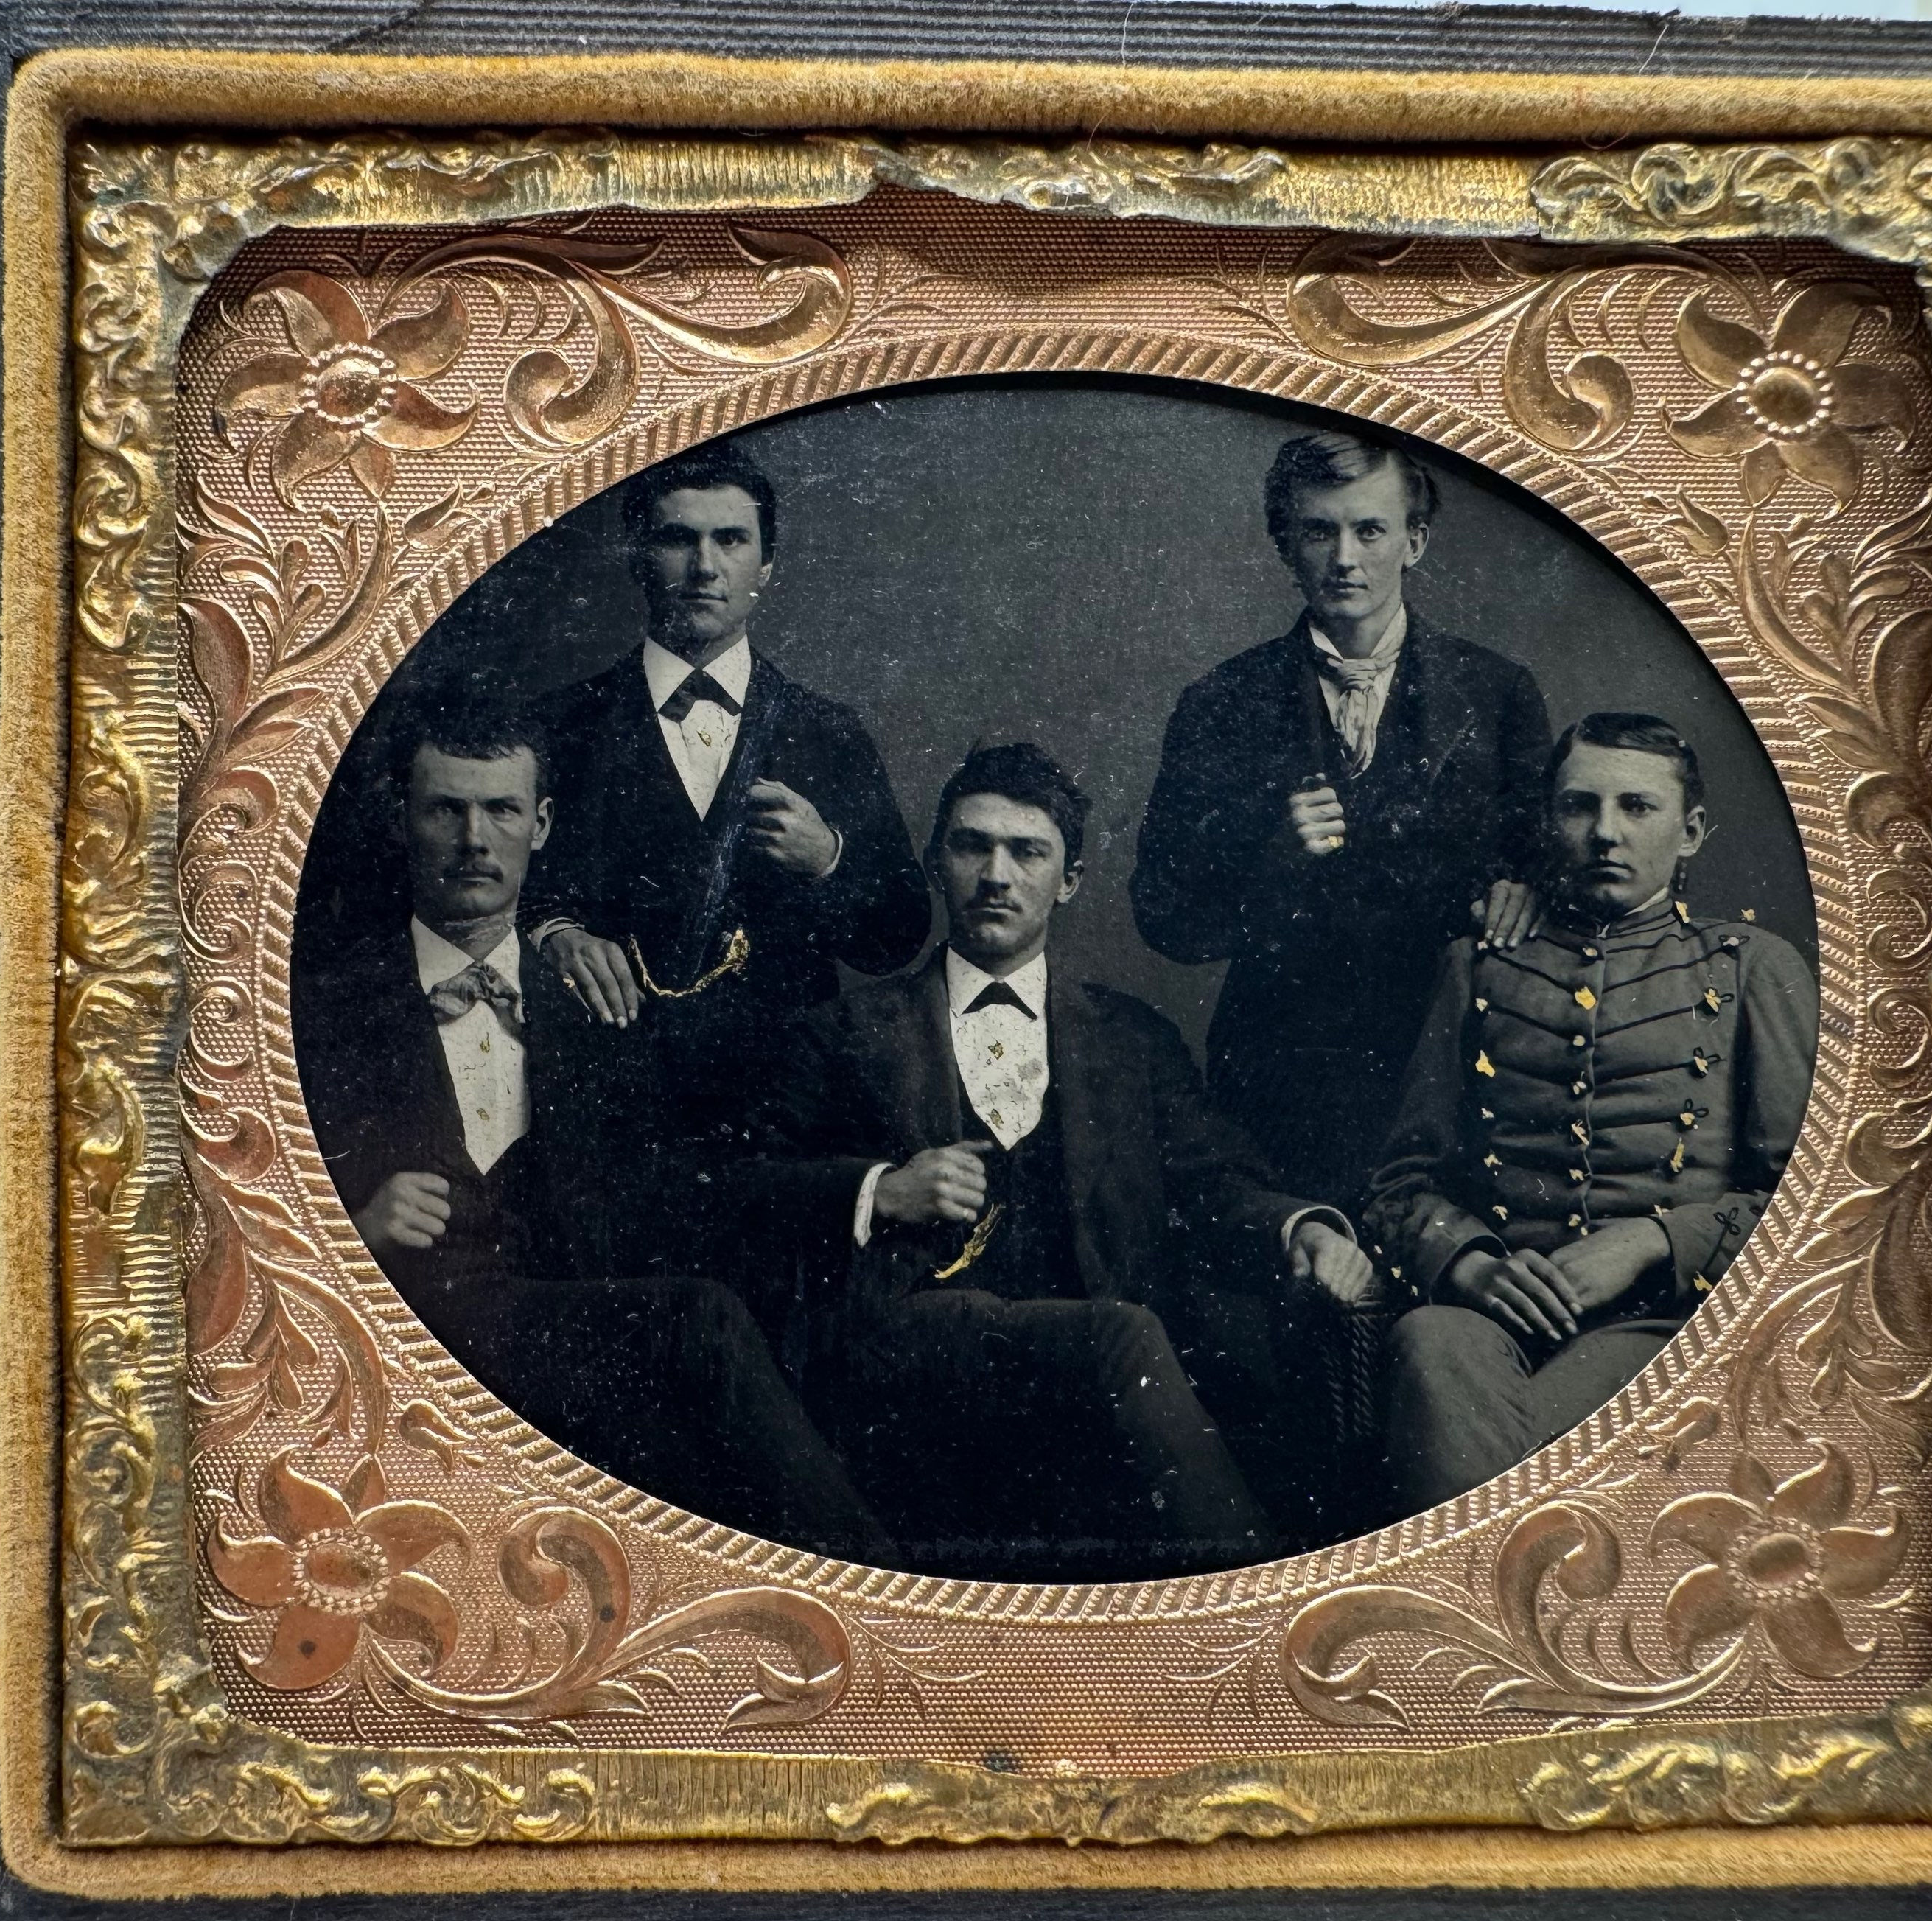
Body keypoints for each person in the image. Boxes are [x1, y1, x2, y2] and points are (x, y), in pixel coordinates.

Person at [754, 743, 1379, 1578]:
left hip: (1090, 1370)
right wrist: (881, 1189)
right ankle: (1268, 1593)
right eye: (972, 845)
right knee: (1126, 1334)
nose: (996, 874)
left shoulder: (1132, 1038)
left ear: (1071, 879)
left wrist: (1300, 1227)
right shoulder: (846, 1032)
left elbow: (1215, 1179)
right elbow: (737, 1184)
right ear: (939, 862)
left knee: (1151, 1347)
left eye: (1028, 851)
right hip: (913, 1354)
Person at [292, 698, 889, 1559]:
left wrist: (859, 1189)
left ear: (541, 825)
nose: (473, 839)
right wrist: (353, 1230)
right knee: (696, 1334)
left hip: (557, 1332)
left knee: (705, 1345)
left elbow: (672, 1188)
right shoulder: (318, 1006)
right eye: (445, 808)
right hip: (401, 1338)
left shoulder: (595, 1000)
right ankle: (878, 1586)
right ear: (401, 821)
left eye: (499, 810)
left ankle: (856, 1590)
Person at [1361, 712, 1817, 1515]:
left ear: (1692, 832)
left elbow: (1812, 1208)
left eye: (1637, 807)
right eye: (1580, 806)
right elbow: (1400, 1184)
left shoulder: (1753, 970)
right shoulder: (1479, 965)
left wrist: (1652, 1240)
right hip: (1494, 1312)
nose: (1605, 832)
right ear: (1549, 821)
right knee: (1430, 1343)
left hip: (1667, 1322)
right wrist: (1476, 1266)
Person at [1132, 429, 1553, 1205]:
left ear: (1415, 541)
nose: (1345, 558)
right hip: (1281, 1077)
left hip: (1451, 1069)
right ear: (1285, 545)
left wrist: (1529, 886)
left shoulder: (1498, 694)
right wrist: (1268, 851)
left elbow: (1552, 867)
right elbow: (1164, 918)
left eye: (1370, 529)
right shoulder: (1219, 703)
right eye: (1319, 531)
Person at [524, 438, 932, 1136]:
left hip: (786, 1114)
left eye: (732, 540)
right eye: (678, 539)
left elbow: (899, 934)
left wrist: (828, 858)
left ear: (765, 566)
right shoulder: (561, 725)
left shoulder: (828, 731)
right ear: (638, 558)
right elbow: (476, 888)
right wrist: (550, 933)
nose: (705, 567)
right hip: (605, 1098)